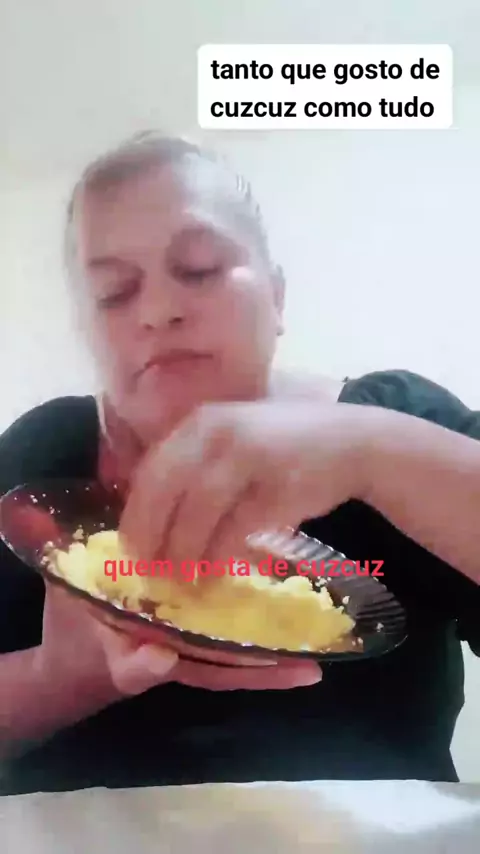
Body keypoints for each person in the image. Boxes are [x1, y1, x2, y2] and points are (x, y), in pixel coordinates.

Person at [0, 132, 479, 795]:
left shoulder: (400, 419)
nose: (159, 311)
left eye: (198, 268)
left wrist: (372, 453)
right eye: (113, 293)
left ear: (276, 297)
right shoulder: (40, 459)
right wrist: (61, 678)